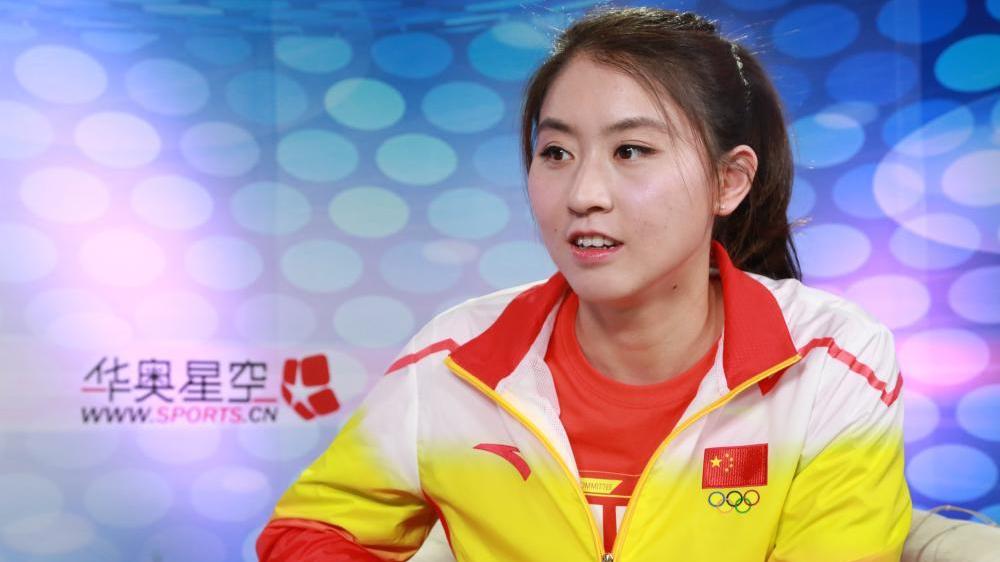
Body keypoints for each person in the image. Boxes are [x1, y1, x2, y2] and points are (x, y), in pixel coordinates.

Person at [257, 7, 911, 562]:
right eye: (556, 153)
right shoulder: (456, 360)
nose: (583, 194)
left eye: (631, 151)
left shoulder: (831, 361)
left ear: (729, 181)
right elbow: (309, 532)